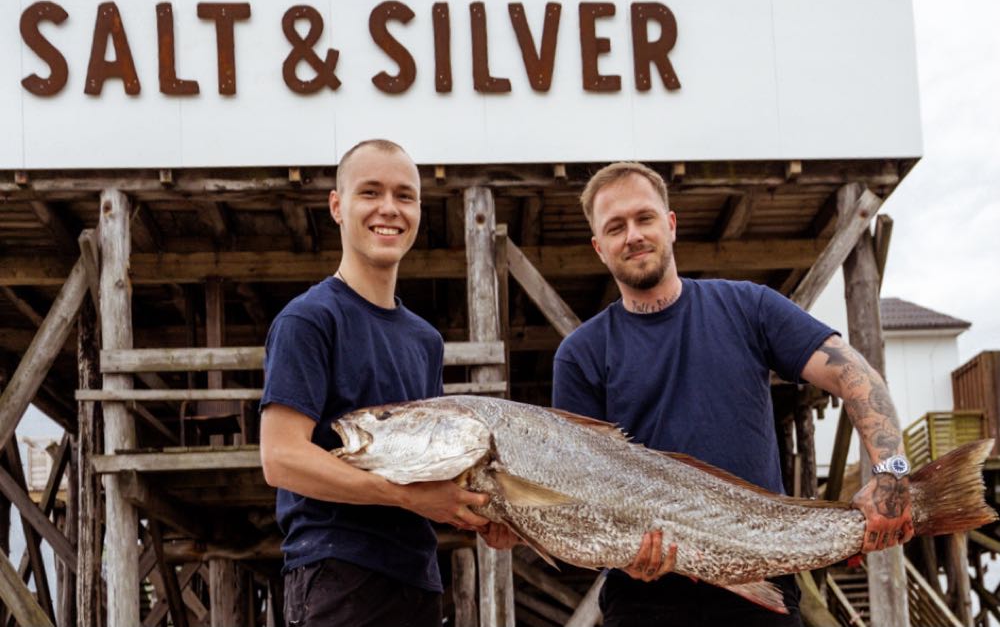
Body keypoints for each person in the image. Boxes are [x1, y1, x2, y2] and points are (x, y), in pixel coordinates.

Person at [552, 161, 914, 627]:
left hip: (763, 586)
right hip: (643, 600)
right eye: (615, 227)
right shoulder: (579, 355)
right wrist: (621, 553)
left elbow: (856, 376)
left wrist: (893, 472)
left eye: (644, 218)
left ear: (671, 223)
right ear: (599, 248)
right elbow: (579, 494)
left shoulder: (749, 306)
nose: (633, 235)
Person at [259, 139, 492, 627]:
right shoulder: (308, 320)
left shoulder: (424, 340)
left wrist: (490, 515)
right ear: (337, 207)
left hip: (417, 579)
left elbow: (431, 469)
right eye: (371, 192)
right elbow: (281, 459)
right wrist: (408, 498)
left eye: (404, 196)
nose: (389, 209)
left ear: (419, 211)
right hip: (336, 574)